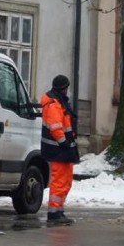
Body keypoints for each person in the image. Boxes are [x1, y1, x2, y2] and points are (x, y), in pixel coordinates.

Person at [40, 74, 80, 226]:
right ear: (64, 88)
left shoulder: (58, 101)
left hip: (63, 149)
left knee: (66, 180)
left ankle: (59, 210)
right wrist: (64, 143)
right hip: (58, 149)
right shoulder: (54, 103)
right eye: (67, 88)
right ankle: (54, 213)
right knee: (59, 181)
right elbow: (56, 127)